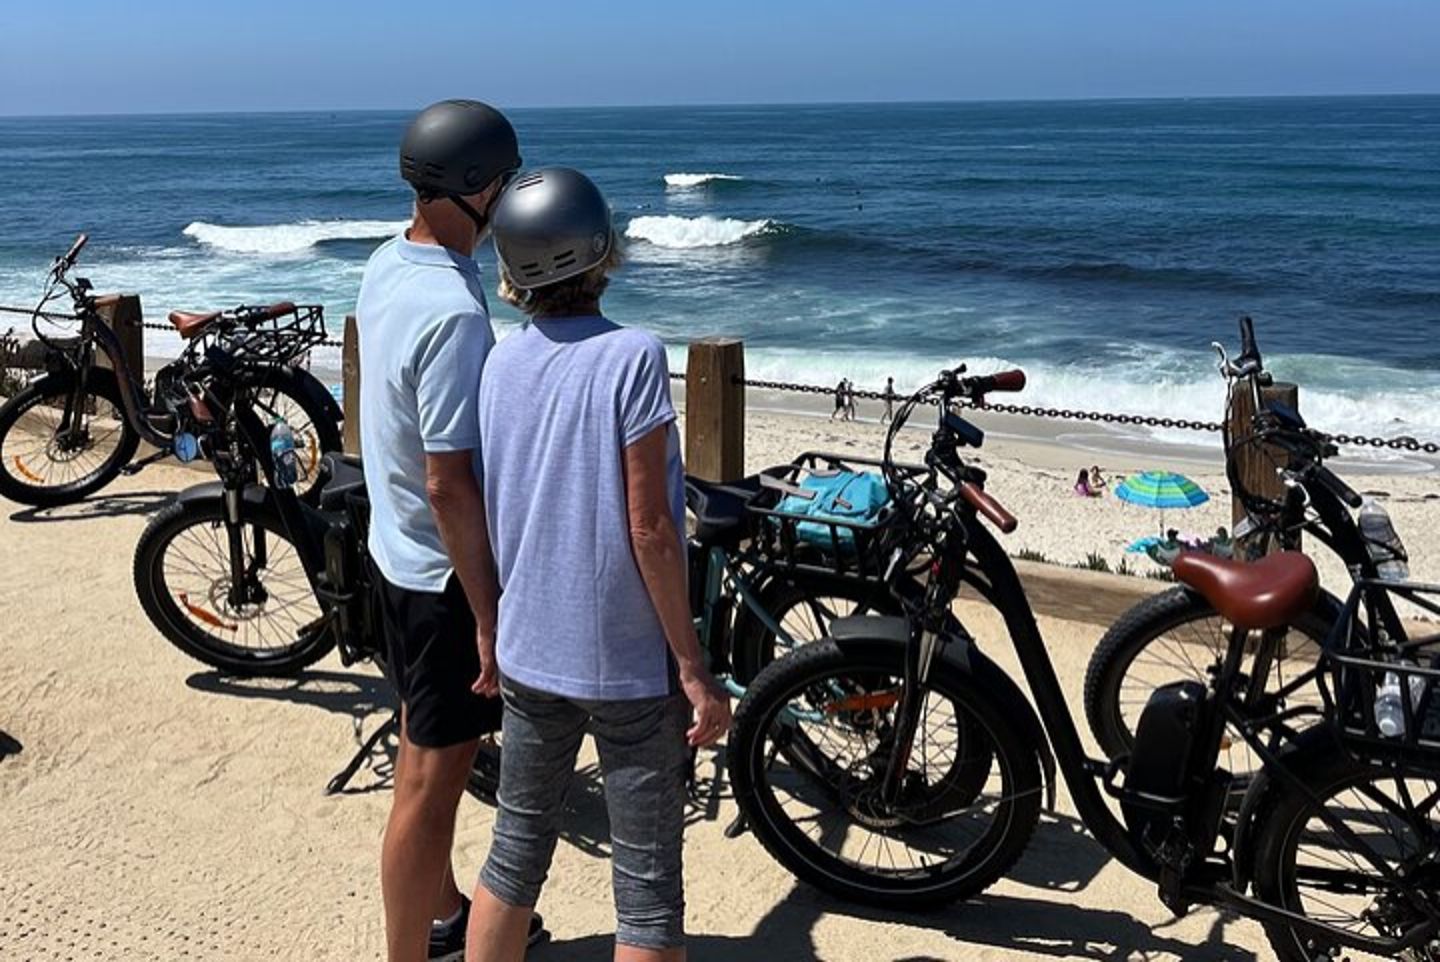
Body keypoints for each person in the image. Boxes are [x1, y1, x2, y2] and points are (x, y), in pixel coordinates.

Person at [467, 167, 732, 962]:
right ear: (602, 252)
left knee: (514, 852)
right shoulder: (633, 356)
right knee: (647, 891)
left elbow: (499, 502)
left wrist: (491, 626)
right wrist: (691, 666)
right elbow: (650, 526)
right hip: (623, 663)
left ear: (512, 271)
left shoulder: (498, 364)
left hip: (528, 649)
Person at [355, 99, 544, 962]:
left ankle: (444, 912)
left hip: (389, 552)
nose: (508, 200)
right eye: (502, 183)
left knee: (415, 750)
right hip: (437, 580)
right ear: (474, 189)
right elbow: (450, 481)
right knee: (432, 788)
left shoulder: (388, 263)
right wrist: (489, 611)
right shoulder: (457, 313)